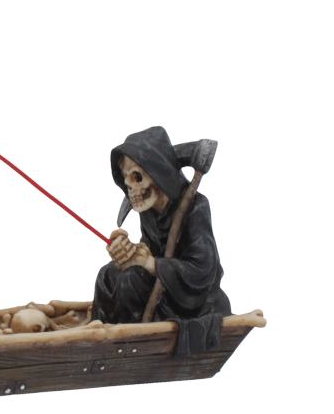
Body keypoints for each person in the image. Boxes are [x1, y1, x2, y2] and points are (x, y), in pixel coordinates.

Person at [92, 126, 230, 354]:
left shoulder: (196, 206)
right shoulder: (148, 210)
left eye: (137, 177)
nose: (131, 188)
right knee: (108, 274)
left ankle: (129, 346)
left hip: (189, 297)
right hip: (160, 283)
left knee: (129, 280)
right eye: (126, 180)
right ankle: (99, 334)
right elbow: (148, 251)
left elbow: (204, 270)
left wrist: (151, 264)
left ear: (159, 173)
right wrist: (129, 252)